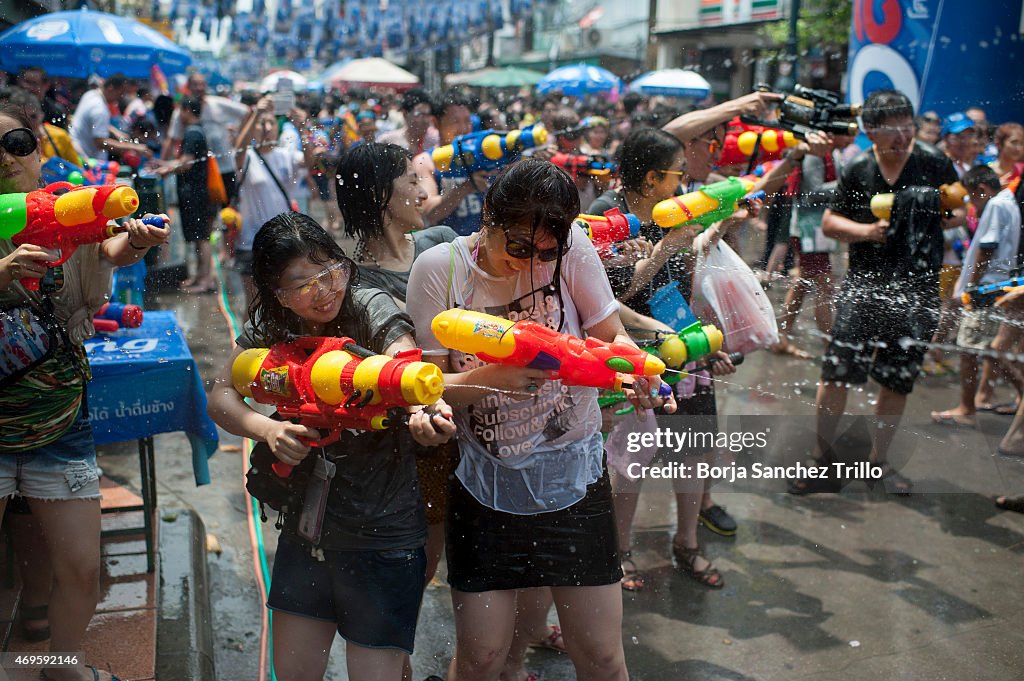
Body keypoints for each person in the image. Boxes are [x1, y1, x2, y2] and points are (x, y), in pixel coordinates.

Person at [408, 158, 673, 681]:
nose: (532, 263)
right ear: (488, 218)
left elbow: (609, 338)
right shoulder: (441, 270)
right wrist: (497, 378)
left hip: (572, 480)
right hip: (485, 487)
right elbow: (431, 390)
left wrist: (635, 368)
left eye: (546, 253)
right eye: (520, 247)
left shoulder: (572, 251)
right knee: (483, 657)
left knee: (600, 656)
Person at [206, 212, 454, 681]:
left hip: (383, 532)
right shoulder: (273, 324)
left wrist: (426, 409)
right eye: (301, 284)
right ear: (275, 291)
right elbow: (221, 394)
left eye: (330, 271)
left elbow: (405, 364)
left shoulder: (370, 306)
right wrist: (266, 429)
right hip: (307, 529)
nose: (324, 291)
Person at [0, 101, 170, 681]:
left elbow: (108, 249)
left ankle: (55, 665)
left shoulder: (69, 205)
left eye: (18, 141)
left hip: (62, 416)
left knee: (81, 569)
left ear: (39, 147)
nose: (6, 156)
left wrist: (139, 240)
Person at [588, 128, 738, 590]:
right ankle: (622, 551)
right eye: (677, 173)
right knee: (631, 458)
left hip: (683, 340)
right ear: (652, 177)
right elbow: (607, 302)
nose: (685, 181)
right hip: (633, 352)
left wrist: (713, 231)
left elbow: (679, 281)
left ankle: (687, 543)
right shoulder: (602, 217)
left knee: (694, 449)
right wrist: (663, 250)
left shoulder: (674, 209)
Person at [789, 89, 959, 495]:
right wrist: (870, 231)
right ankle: (821, 459)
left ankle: (878, 464)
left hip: (917, 288)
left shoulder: (933, 162)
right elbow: (830, 223)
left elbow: (958, 213)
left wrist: (920, 218)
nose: (903, 137)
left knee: (897, 379)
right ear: (870, 132)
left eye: (908, 127)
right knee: (836, 374)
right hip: (864, 286)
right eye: (892, 130)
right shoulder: (861, 168)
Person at [334, 141, 458, 584]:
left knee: (437, 558)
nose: (425, 192)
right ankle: (394, 656)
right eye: (412, 179)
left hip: (459, 429)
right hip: (400, 444)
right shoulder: (351, 284)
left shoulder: (442, 245)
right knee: (411, 567)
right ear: (378, 196)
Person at [931, 166, 1022, 427]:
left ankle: (966, 409)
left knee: (971, 351)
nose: (972, 204)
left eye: (972, 196)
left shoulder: (994, 205)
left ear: (982, 189)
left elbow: (986, 249)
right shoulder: (1009, 202)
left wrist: (970, 288)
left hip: (984, 289)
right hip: (996, 286)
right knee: (988, 351)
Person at [231, 96, 312, 306]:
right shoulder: (246, 156)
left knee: (286, 302)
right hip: (251, 242)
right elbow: (239, 149)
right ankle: (249, 340)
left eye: (271, 123)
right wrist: (256, 113)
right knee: (254, 304)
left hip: (284, 240)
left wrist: (303, 128)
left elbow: (311, 162)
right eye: (261, 123)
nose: (266, 128)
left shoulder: (287, 155)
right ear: (253, 128)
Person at [154, 96, 215, 294]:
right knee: (197, 236)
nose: (179, 115)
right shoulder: (196, 131)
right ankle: (199, 276)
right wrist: (164, 165)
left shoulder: (192, 133)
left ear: (188, 110)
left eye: (181, 110)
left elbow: (187, 163)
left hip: (195, 193)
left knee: (202, 237)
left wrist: (167, 170)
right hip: (196, 192)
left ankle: (206, 280)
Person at [161, 72, 249, 204]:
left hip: (225, 167)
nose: (199, 88)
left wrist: (238, 137)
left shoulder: (218, 103)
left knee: (230, 211)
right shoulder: (183, 110)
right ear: (189, 86)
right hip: (201, 173)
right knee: (206, 214)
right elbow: (172, 138)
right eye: (195, 84)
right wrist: (163, 163)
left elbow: (247, 112)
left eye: (202, 84)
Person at [413, 91, 490, 236]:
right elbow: (427, 214)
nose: (463, 129)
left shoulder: (483, 155)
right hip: (445, 250)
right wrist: (465, 188)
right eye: (455, 121)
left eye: (467, 121)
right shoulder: (425, 162)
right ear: (436, 122)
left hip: (481, 248)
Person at [69, 73, 152, 163]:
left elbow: (92, 122)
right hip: (88, 161)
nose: (122, 97)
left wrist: (114, 131)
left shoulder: (91, 94)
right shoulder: (99, 108)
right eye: (122, 92)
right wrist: (134, 147)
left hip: (77, 153)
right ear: (111, 88)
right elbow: (101, 142)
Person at [377, 88, 439, 156]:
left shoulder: (435, 141)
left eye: (428, 115)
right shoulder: (389, 142)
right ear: (405, 114)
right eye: (419, 114)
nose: (426, 120)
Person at [990, 122, 1024, 187]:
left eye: (1021, 143)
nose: (1018, 148)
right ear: (998, 144)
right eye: (1014, 142)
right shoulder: (987, 173)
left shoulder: (1022, 170)